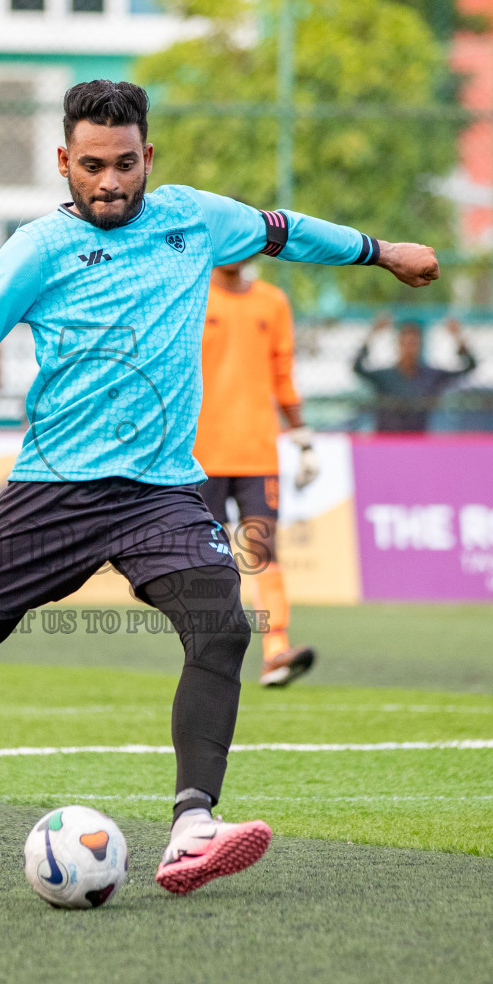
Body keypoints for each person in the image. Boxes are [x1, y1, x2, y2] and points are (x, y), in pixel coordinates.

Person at [0, 80, 439, 895]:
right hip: (52, 493)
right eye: (92, 166)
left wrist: (380, 252)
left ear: (149, 158)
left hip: (161, 491)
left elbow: (283, 230)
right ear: (64, 162)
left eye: (126, 164)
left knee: (223, 627)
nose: (110, 182)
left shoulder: (191, 219)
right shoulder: (36, 249)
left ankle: (192, 828)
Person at [193, 256, 318, 688]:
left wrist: (302, 437)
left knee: (263, 547)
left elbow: (283, 375)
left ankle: (276, 651)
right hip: (199, 456)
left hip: (258, 453)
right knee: (209, 560)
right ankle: (210, 652)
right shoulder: (191, 294)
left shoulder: (272, 302)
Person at [352, 315, 476, 433]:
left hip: (417, 441)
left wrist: (457, 335)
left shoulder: (431, 376)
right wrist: (373, 333)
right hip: (387, 440)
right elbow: (358, 368)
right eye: (405, 343)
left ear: (419, 346)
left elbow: (469, 367)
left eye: (413, 343)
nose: (409, 349)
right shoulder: (385, 376)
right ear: (398, 344)